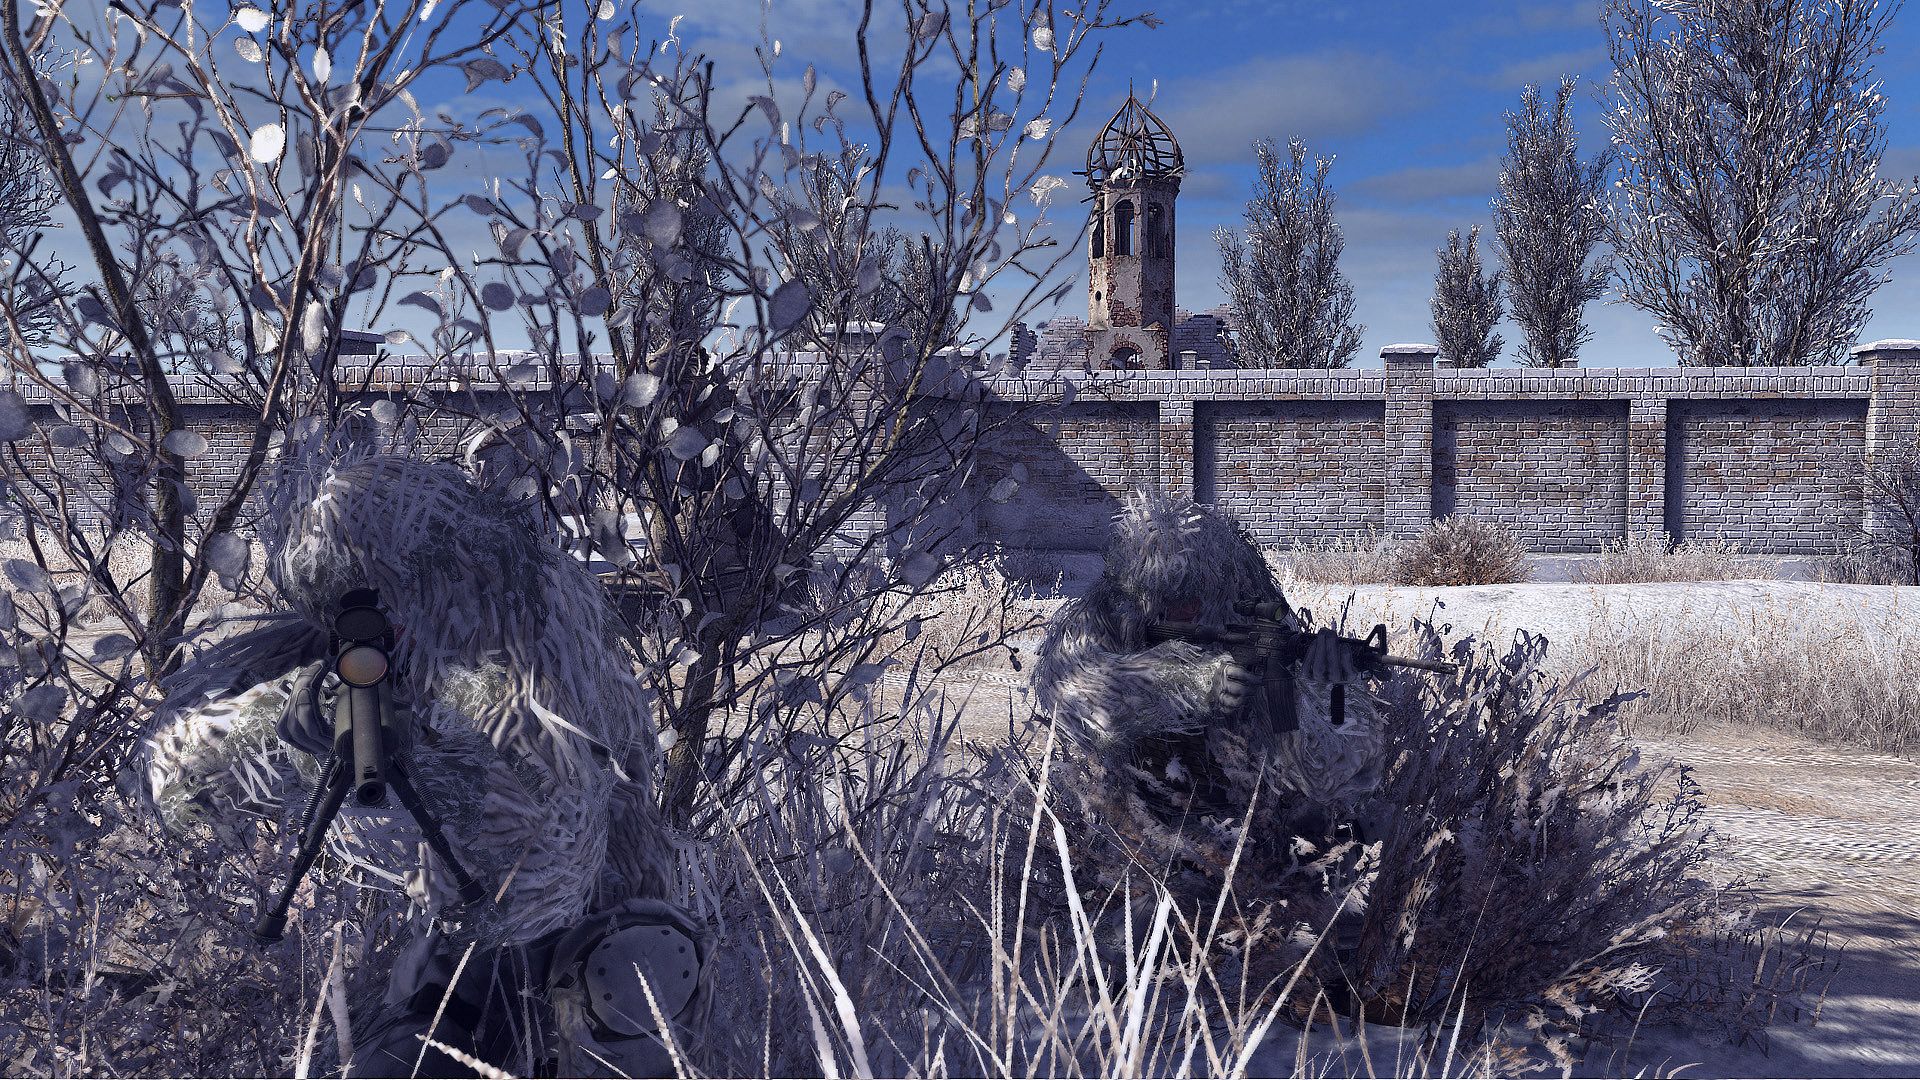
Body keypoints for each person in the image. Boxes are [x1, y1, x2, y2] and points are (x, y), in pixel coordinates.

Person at [134, 425, 707, 1077]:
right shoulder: (342, 650)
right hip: (447, 958)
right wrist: (287, 722)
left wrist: (431, 756)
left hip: (588, 940)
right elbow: (171, 786)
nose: (389, 629)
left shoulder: (530, 652)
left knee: (614, 990)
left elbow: (545, 867)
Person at [1031, 490, 1388, 852]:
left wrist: (1327, 694)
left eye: (1193, 595)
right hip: (1143, 818)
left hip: (1252, 817)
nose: (1184, 610)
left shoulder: (1249, 603)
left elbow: (1329, 773)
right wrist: (1190, 682)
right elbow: (1071, 689)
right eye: (1167, 599)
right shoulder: (1112, 606)